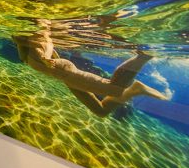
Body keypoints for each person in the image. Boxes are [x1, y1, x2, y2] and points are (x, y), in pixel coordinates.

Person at [13, 19, 169, 117]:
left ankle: (142, 58)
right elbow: (25, 57)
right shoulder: (22, 39)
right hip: (63, 76)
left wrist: (46, 57)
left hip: (66, 72)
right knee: (100, 111)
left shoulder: (36, 31)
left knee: (114, 89)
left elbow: (46, 41)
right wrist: (25, 47)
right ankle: (134, 90)